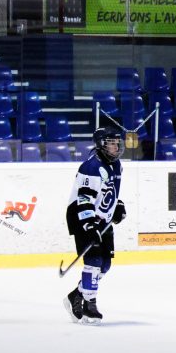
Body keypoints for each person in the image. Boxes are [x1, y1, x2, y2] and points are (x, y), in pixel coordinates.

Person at [63, 127, 125, 324]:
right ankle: (90, 305)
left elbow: (108, 192)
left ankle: (76, 296)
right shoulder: (91, 167)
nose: (116, 146)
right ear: (100, 145)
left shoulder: (116, 165)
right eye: (111, 142)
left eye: (117, 142)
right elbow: (84, 199)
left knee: (105, 264)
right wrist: (90, 225)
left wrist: (118, 205)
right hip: (82, 218)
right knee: (94, 261)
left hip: (102, 218)